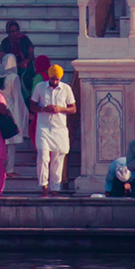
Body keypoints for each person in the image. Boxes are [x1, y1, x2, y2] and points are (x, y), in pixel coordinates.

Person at [32, 59, 75, 195]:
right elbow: (32, 106)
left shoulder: (66, 88)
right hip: (43, 127)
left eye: (57, 80)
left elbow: (73, 109)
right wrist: (44, 108)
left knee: (58, 158)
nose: (54, 82)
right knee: (43, 156)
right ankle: (44, 186)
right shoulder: (40, 87)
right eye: (52, 79)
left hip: (59, 128)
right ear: (49, 77)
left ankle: (55, 189)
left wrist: (60, 109)